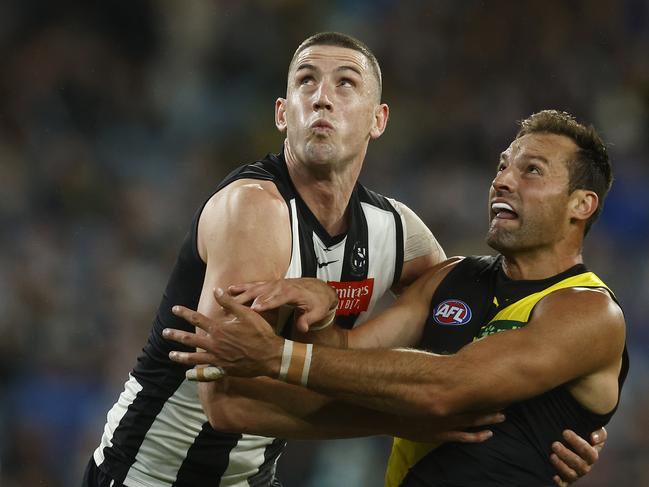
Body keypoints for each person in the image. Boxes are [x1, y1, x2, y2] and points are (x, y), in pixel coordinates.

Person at [85, 29, 599, 485]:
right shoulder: (254, 208)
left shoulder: (395, 231)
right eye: (306, 82)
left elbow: (464, 343)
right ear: (283, 115)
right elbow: (228, 402)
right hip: (149, 472)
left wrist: (553, 429)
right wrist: (404, 419)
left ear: (378, 120)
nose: (322, 98)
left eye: (345, 83)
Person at [164, 110, 627, 486]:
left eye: (531, 171)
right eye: (504, 165)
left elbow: (449, 387)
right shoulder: (451, 277)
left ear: (581, 205)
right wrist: (324, 314)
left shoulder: (589, 311)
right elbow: (343, 363)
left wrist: (275, 356)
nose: (504, 181)